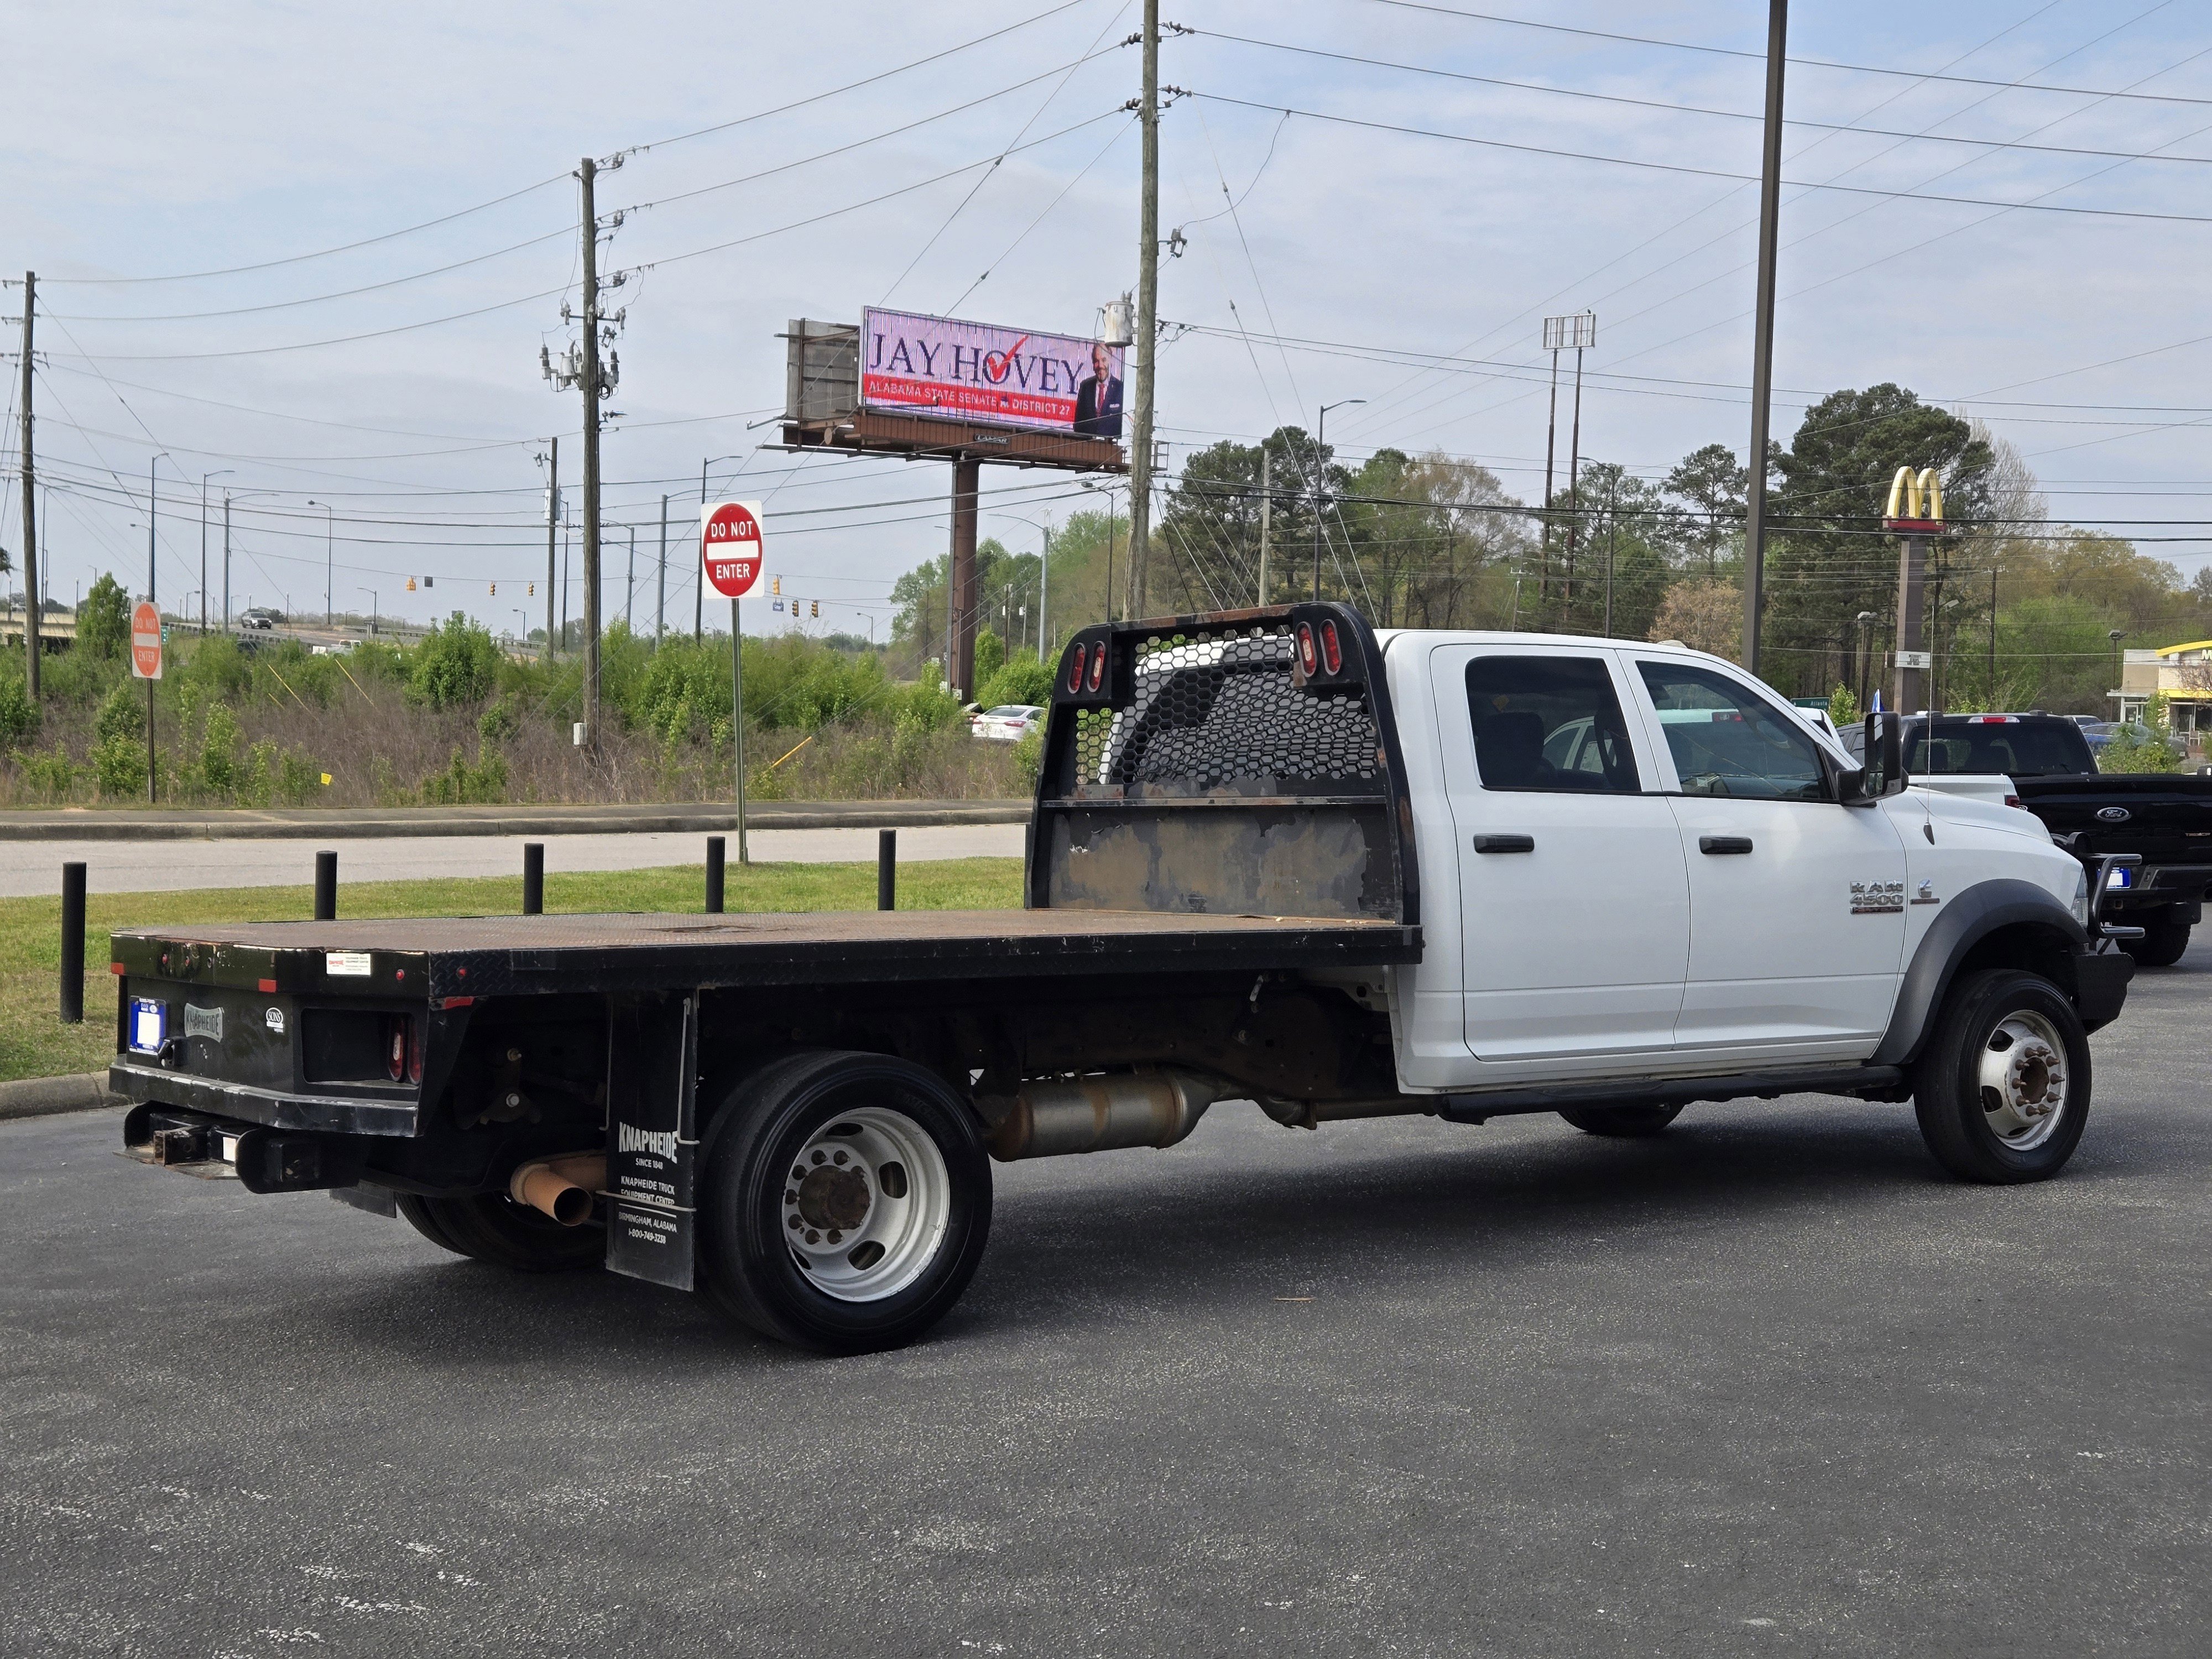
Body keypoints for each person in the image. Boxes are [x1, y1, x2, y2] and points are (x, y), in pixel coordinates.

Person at [1073, 341, 1123, 439]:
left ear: (1110, 359)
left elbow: (1118, 424)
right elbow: (1078, 423)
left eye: (1104, 360)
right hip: (1086, 446)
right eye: (1096, 361)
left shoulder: (1120, 388)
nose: (1100, 365)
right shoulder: (1086, 386)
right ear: (1093, 363)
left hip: (1108, 447)